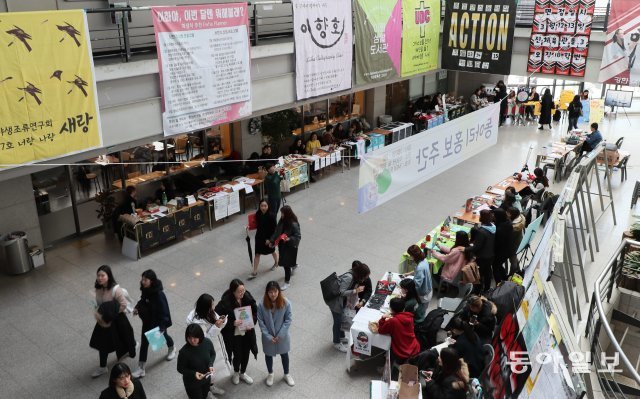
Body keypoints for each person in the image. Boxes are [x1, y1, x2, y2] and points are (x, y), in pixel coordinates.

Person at [90, 265, 137, 378]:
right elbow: (99, 304)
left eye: (103, 275)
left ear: (108, 276)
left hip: (117, 319)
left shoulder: (116, 289)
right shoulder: (98, 288)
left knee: (124, 338)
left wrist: (112, 314)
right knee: (102, 343)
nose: (100, 278)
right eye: (98, 275)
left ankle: (132, 346)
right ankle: (102, 367)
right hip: (105, 320)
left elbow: (123, 304)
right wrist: (98, 312)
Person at [131, 270, 175, 378]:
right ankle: (141, 368)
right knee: (144, 343)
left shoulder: (159, 294)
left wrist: (162, 327)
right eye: (142, 279)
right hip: (147, 320)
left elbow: (164, 311)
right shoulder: (146, 290)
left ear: (152, 281)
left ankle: (171, 347)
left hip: (157, 323)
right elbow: (143, 300)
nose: (142, 281)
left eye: (145, 280)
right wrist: (137, 307)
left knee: (164, 336)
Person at [214, 279, 258, 385]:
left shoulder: (247, 297)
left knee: (246, 353)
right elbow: (217, 319)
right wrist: (232, 323)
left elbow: (256, 312)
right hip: (234, 334)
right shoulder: (224, 303)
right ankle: (236, 372)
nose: (242, 293)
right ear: (233, 292)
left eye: (243, 290)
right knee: (237, 354)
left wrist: (252, 322)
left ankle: (243, 372)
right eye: (239, 291)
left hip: (247, 332)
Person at [185, 294, 228, 397]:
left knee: (212, 370)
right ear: (205, 307)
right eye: (211, 305)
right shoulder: (197, 322)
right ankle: (207, 393)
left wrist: (221, 320)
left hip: (215, 346)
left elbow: (215, 319)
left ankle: (211, 386)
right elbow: (204, 339)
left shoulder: (208, 311)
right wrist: (216, 326)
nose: (213, 307)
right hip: (204, 350)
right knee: (206, 370)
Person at [326, 261, 371, 352]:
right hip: (335, 302)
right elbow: (341, 292)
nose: (366, 278)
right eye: (365, 276)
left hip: (341, 301)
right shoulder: (349, 277)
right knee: (337, 322)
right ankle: (336, 342)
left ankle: (341, 337)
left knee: (341, 319)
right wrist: (355, 290)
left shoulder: (354, 277)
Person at [257, 281, 295, 387]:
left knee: (284, 354)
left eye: (275, 291)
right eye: (270, 292)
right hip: (268, 337)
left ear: (278, 291)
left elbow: (288, 320)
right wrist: (269, 336)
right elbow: (261, 322)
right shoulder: (261, 305)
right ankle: (270, 373)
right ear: (267, 293)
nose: (273, 294)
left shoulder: (286, 303)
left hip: (282, 336)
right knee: (268, 355)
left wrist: (280, 335)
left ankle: (286, 374)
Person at [377, 297, 421, 379]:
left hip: (402, 350)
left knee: (389, 351)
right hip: (414, 346)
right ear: (403, 308)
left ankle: (385, 369)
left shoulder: (393, 321)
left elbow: (381, 330)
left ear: (391, 309)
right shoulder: (409, 317)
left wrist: (383, 318)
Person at [177, 324, 216, 399]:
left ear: (200, 336)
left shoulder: (207, 342)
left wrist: (210, 364)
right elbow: (180, 368)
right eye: (189, 338)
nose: (192, 340)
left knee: (205, 395)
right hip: (192, 384)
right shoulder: (183, 352)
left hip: (206, 379)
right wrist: (194, 373)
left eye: (195, 338)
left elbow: (213, 354)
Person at [267, 205, 301, 290]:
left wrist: (289, 239)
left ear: (287, 214)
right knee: (285, 261)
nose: (281, 215)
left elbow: (298, 236)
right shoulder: (282, 221)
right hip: (282, 245)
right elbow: (277, 232)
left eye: (283, 213)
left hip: (290, 247)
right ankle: (294, 265)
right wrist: (272, 241)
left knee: (286, 264)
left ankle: (287, 282)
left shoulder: (293, 224)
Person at [247, 200, 278, 279]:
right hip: (259, 237)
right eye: (262, 206)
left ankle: (276, 262)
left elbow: (275, 229)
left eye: (265, 206)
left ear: (268, 206)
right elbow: (255, 225)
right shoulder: (258, 214)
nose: (263, 208)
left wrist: (270, 240)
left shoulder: (272, 216)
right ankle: (254, 272)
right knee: (257, 254)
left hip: (268, 238)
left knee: (272, 251)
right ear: (259, 206)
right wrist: (249, 227)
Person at [468, 210, 495, 292]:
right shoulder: (493, 227)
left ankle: (477, 290)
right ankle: (487, 288)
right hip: (491, 253)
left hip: (482, 256)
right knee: (488, 271)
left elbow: (476, 247)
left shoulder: (482, 232)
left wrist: (465, 248)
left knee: (479, 273)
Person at [399, 279, 428, 350]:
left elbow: (404, 316)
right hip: (420, 319)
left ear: (406, 290)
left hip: (416, 323)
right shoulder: (415, 294)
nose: (400, 289)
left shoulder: (410, 303)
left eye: (401, 288)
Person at [492, 209, 513, 286]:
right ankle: (505, 278)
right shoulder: (508, 223)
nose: (492, 216)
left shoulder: (500, 229)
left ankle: (499, 285)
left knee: (495, 268)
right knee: (499, 265)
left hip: (501, 252)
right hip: (507, 250)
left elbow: (497, 243)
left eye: (494, 215)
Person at [507, 207, 525, 276]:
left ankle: (511, 275)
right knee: (514, 257)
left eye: (508, 213)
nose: (507, 214)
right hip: (518, 241)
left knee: (513, 259)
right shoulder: (520, 218)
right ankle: (518, 270)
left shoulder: (513, 227)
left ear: (512, 215)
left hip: (513, 245)